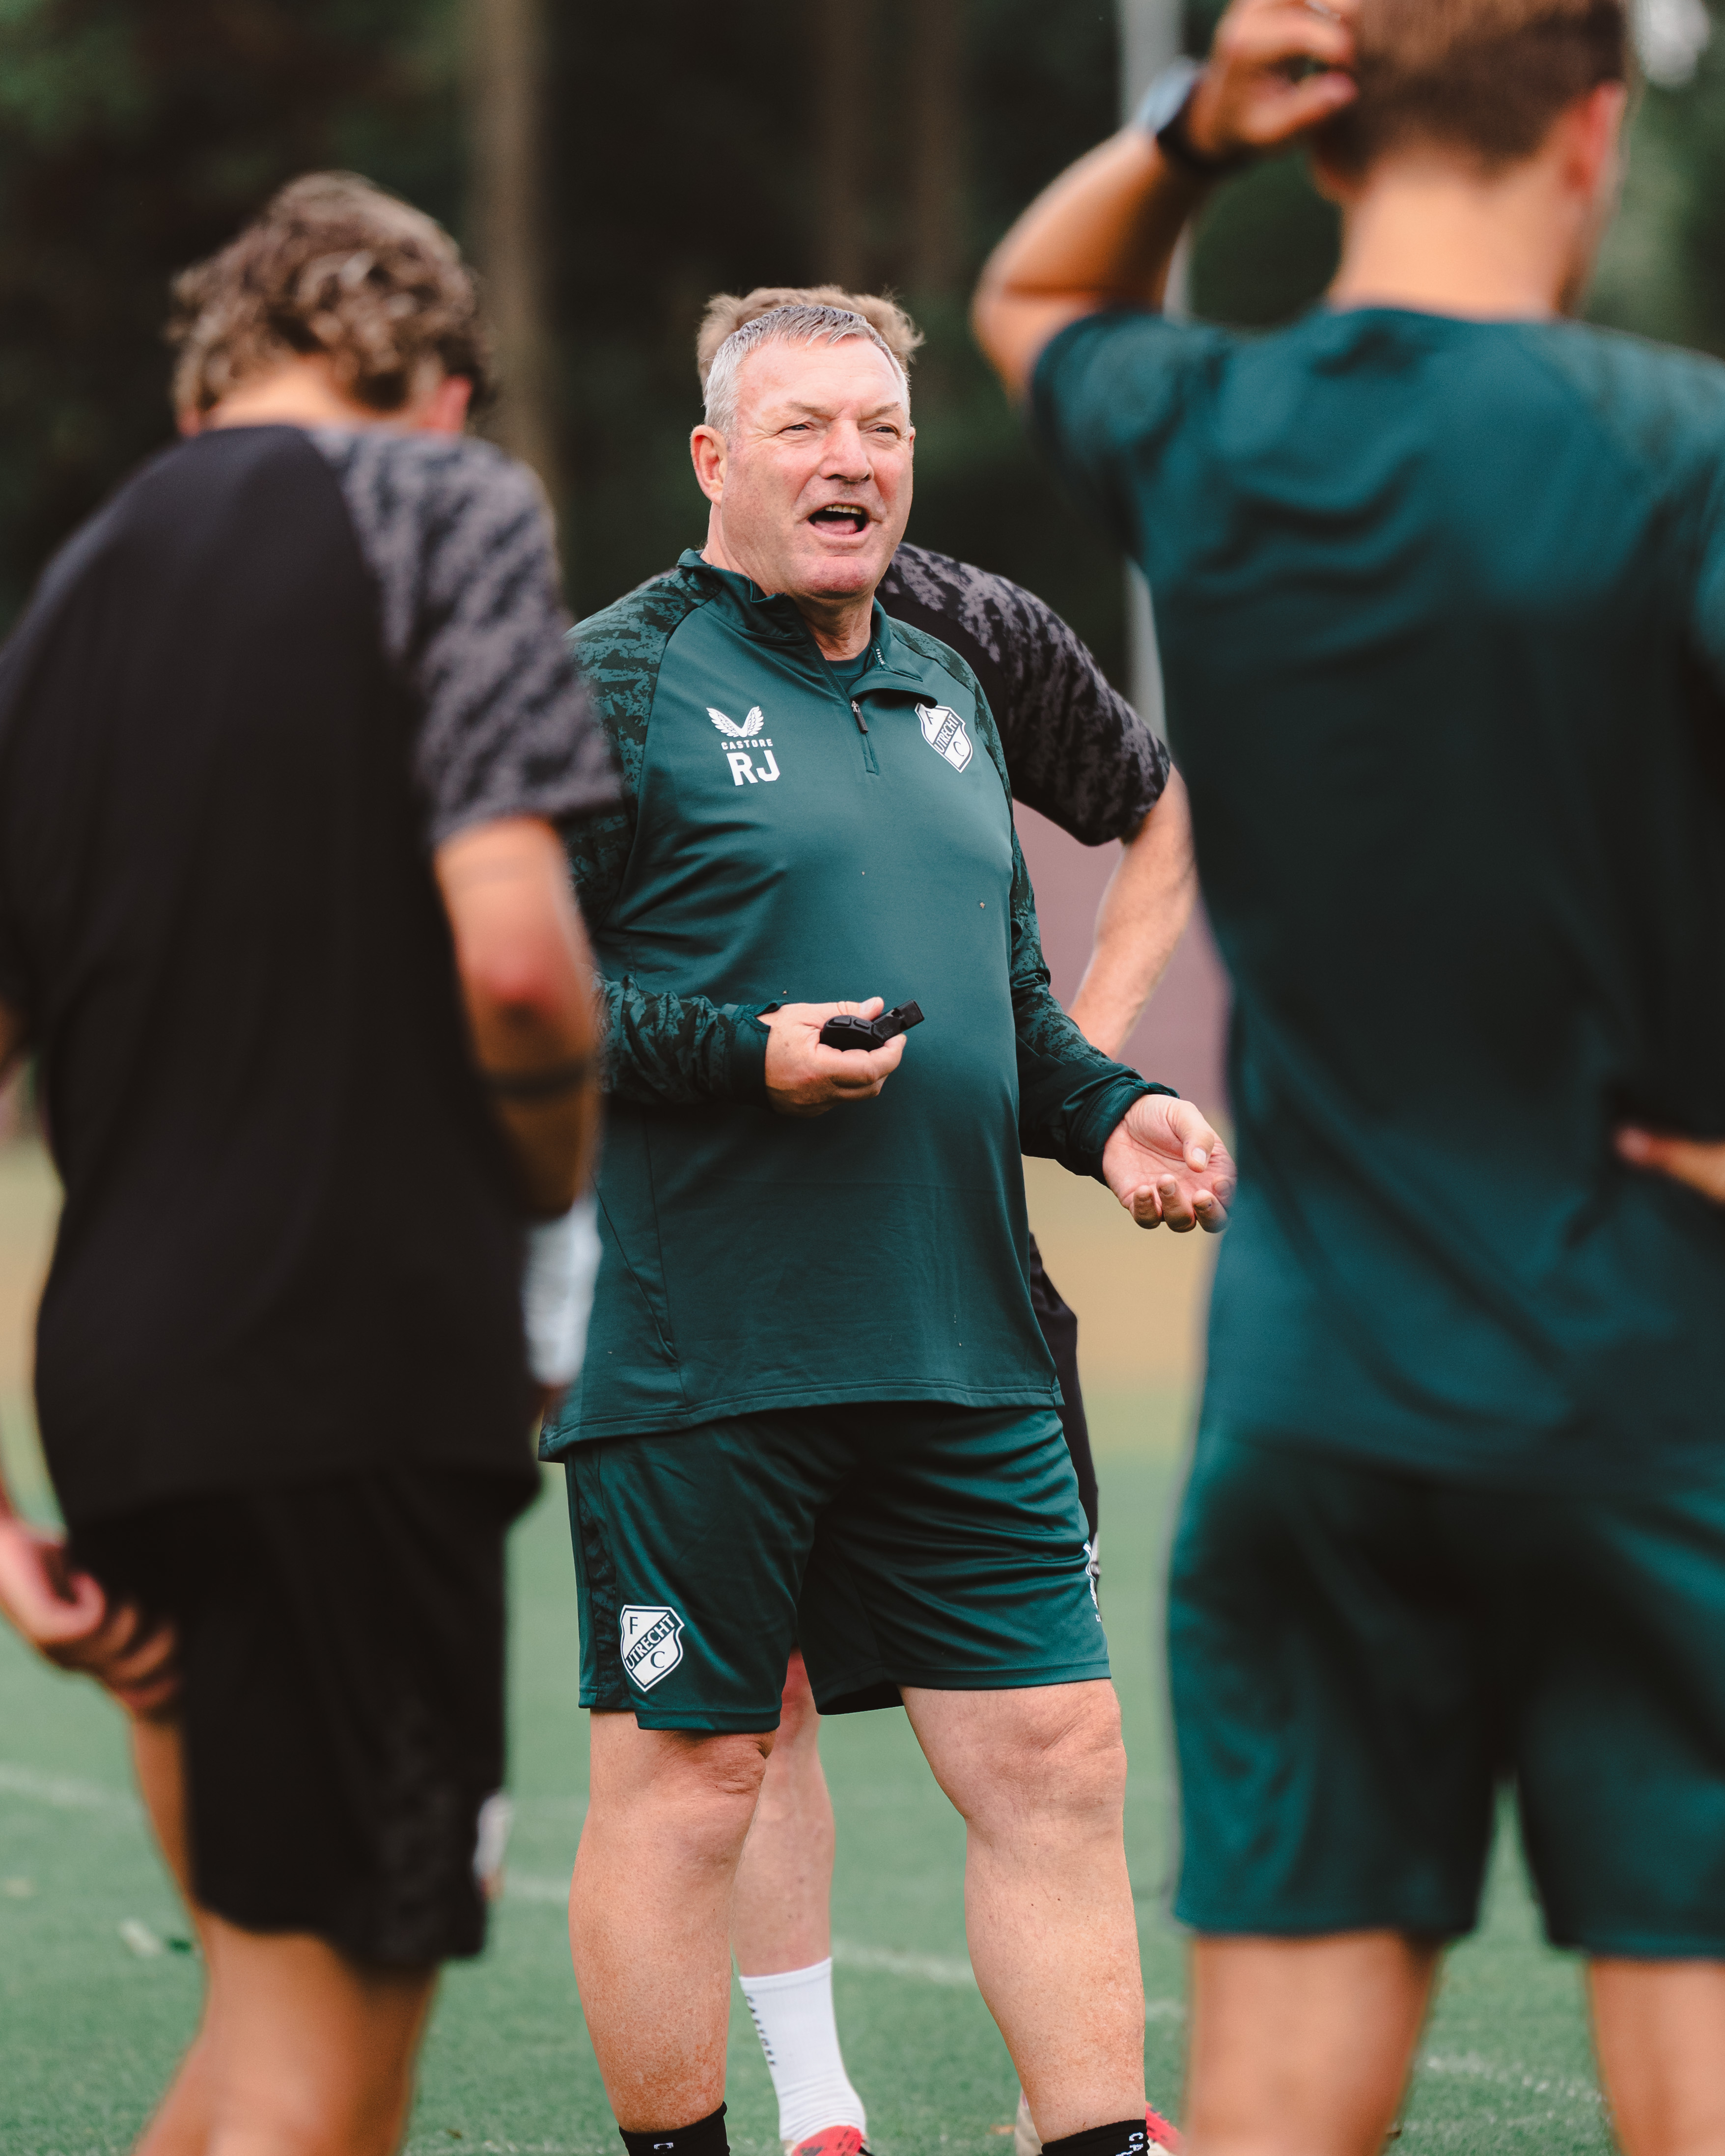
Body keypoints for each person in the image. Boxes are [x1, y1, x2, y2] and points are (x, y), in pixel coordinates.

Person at [974, 0, 1725, 2150]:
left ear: (1317, 143)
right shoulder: (1671, 450)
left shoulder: (1213, 429)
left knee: (1281, 2115)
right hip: (1639, 1389)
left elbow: (1033, 291)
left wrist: (1177, 137)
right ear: (1592, 133)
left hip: (1315, 1396)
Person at [543, 300, 1235, 2156]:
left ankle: (1098, 2139)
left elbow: (1004, 1011)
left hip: (965, 1347)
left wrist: (1115, 1113)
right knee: (695, 1784)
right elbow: (506, 996)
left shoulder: (951, 676)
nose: (850, 460)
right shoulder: (615, 677)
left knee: (1057, 1763)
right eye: (802, 430)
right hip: (705, 1358)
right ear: (715, 461)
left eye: (882, 428)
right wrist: (736, 1054)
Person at [0, 172, 615, 2156]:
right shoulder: (442, 505)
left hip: (129, 1390)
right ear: (439, 390)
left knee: (264, 2026)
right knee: (323, 2070)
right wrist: (553, 1227)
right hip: (348, 1364)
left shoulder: (74, 594)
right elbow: (520, 966)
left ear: (203, 397)